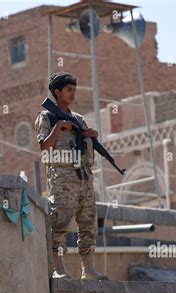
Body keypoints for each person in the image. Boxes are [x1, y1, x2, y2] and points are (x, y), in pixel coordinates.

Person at [34, 72, 108, 280]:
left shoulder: (79, 119)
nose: (73, 94)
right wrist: (59, 127)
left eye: (74, 90)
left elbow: (87, 151)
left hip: (83, 177)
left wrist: (90, 137)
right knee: (60, 222)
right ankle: (57, 267)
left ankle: (89, 269)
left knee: (88, 224)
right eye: (69, 90)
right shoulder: (47, 117)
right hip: (63, 177)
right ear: (57, 92)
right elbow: (44, 146)